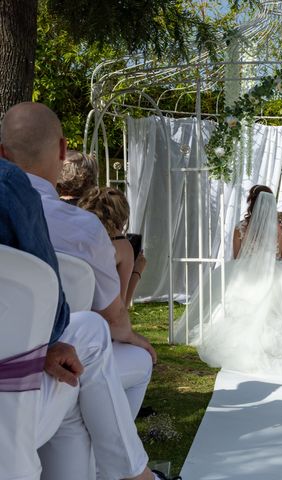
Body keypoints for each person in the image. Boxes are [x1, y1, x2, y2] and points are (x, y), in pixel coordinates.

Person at [0, 157, 170, 480]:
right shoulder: (11, 187)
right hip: (14, 402)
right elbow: (84, 313)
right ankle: (131, 473)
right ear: (60, 151)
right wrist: (48, 343)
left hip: (21, 370)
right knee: (86, 345)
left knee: (77, 372)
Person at [0, 102, 154, 418]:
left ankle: (126, 469)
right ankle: (121, 469)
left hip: (19, 365)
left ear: (2, 154)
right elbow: (113, 319)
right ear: (62, 149)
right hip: (53, 368)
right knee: (108, 347)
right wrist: (137, 340)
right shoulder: (84, 228)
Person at [196, 185, 282, 377]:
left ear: (252, 201)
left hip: (246, 273)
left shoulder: (241, 227)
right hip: (277, 271)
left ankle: (245, 343)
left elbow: (237, 257)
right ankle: (279, 344)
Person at [78, 186, 147, 307]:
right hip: (100, 315)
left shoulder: (75, 234)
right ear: (122, 216)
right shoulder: (121, 245)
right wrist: (137, 271)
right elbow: (121, 306)